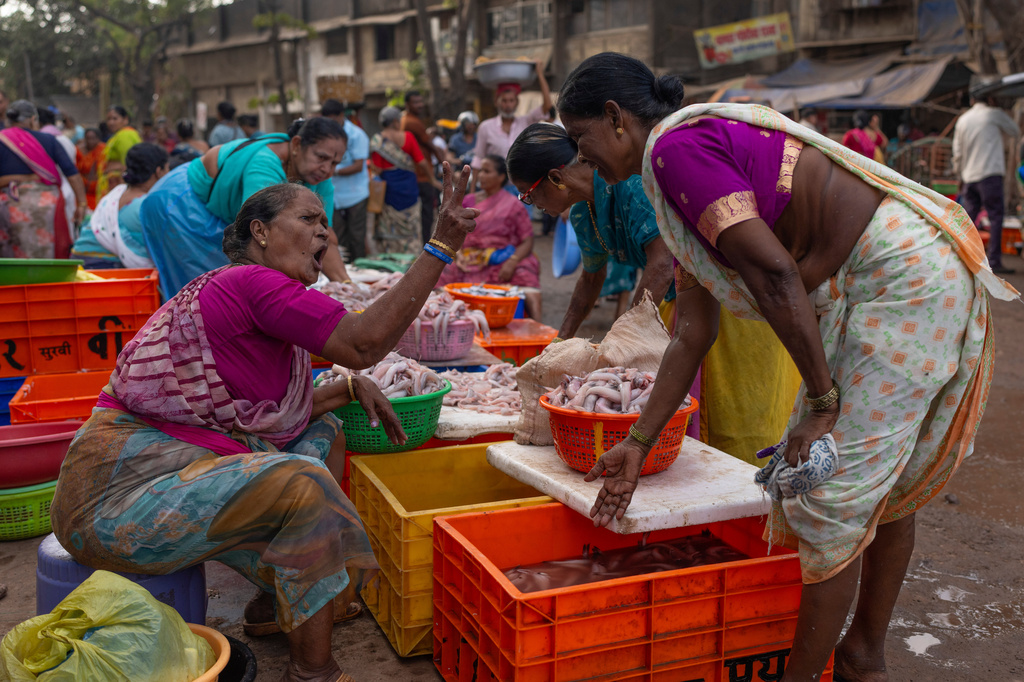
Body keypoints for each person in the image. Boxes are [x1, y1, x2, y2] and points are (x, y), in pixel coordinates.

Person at [557, 52, 1014, 682]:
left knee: (830, 493)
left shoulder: (674, 150)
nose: (583, 160)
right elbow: (692, 330)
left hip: (902, 281)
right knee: (885, 486)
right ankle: (862, 655)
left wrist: (822, 405)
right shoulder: (678, 169)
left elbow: (772, 273)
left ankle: (823, 669)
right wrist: (638, 441)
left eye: (580, 140)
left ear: (615, 118)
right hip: (899, 275)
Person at [51, 168, 481, 682]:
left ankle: (271, 603)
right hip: (109, 504)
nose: (324, 232)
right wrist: (438, 247)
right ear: (260, 232)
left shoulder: (253, 291)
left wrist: (344, 389)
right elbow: (363, 344)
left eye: (326, 221)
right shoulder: (252, 282)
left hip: (169, 478)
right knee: (302, 481)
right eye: (307, 218)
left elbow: (272, 416)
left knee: (323, 436)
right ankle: (312, 673)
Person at [140, 117, 350, 298]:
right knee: (200, 292)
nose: (327, 168)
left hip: (216, 213)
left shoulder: (320, 177)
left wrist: (348, 287)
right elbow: (262, 239)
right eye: (321, 157)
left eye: (334, 163)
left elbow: (323, 235)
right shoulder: (264, 165)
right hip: (178, 205)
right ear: (296, 145)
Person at [506, 122, 674, 337]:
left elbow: (662, 263)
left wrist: (627, 337)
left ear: (555, 178)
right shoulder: (582, 214)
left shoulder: (629, 183)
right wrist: (560, 342)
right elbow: (591, 279)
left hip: (708, 293)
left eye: (527, 193)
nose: (530, 202)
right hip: (671, 300)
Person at [436, 154, 542, 319]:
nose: (481, 175)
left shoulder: (513, 204)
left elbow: (527, 239)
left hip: (500, 259)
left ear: (501, 177)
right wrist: (456, 255)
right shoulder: (468, 201)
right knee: (440, 269)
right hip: (468, 259)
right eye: (481, 171)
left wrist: (512, 261)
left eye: (487, 171)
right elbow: (452, 233)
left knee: (526, 271)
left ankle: (539, 329)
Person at [0, 100, 87, 258]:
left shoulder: (2, 140)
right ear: (34, 119)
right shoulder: (49, 140)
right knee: (48, 253)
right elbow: (72, 173)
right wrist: (81, 203)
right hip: (48, 207)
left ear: (8, 120)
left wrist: (16, 178)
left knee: (12, 255)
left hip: (9, 206)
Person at [953, 87, 1021, 275]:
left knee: (967, 218)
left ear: (972, 99)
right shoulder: (994, 114)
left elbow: (957, 154)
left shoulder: (963, 119)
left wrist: (960, 176)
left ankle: (959, 255)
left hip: (969, 176)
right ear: (990, 98)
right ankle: (994, 260)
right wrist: (998, 110)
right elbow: (1015, 131)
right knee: (996, 216)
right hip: (989, 174)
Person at [71, 143, 170, 269]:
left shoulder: (116, 193)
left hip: (78, 264)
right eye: (167, 169)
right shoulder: (145, 205)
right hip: (103, 270)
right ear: (158, 172)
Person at [370, 106, 439, 254]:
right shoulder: (407, 137)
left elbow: (377, 170)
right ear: (395, 121)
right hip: (409, 188)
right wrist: (432, 179)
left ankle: (393, 257)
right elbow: (421, 162)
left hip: (389, 191)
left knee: (390, 226)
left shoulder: (377, 141)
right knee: (412, 225)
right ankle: (412, 256)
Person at [471, 60, 553, 171]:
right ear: (496, 102)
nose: (508, 105)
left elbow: (547, 105)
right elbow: (478, 159)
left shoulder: (527, 122)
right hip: (494, 186)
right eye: (504, 101)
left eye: (511, 100)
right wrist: (472, 189)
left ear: (517, 102)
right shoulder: (485, 127)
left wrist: (540, 74)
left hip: (521, 186)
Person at [323, 99, 370, 262]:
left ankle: (360, 269)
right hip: (334, 196)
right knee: (337, 237)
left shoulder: (357, 134)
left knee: (357, 238)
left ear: (341, 115)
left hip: (355, 194)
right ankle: (343, 272)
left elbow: (358, 165)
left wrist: (333, 171)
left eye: (333, 119)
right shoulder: (326, 134)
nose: (330, 123)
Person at [401, 91, 445, 242]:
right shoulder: (411, 122)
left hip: (416, 174)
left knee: (423, 212)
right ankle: (425, 244)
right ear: (407, 104)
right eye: (415, 102)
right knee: (426, 213)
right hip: (422, 174)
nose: (420, 105)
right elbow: (429, 145)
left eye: (421, 101)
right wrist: (443, 163)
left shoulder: (407, 120)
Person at [96, 105, 141, 199]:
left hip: (118, 187)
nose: (111, 122)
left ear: (125, 119)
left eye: (115, 118)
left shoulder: (124, 135)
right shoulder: (119, 135)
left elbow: (128, 165)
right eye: (108, 119)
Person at [76, 128, 106, 209]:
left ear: (98, 139)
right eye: (88, 138)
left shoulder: (103, 149)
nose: (90, 141)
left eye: (93, 138)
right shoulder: (78, 151)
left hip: (98, 189)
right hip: (83, 188)